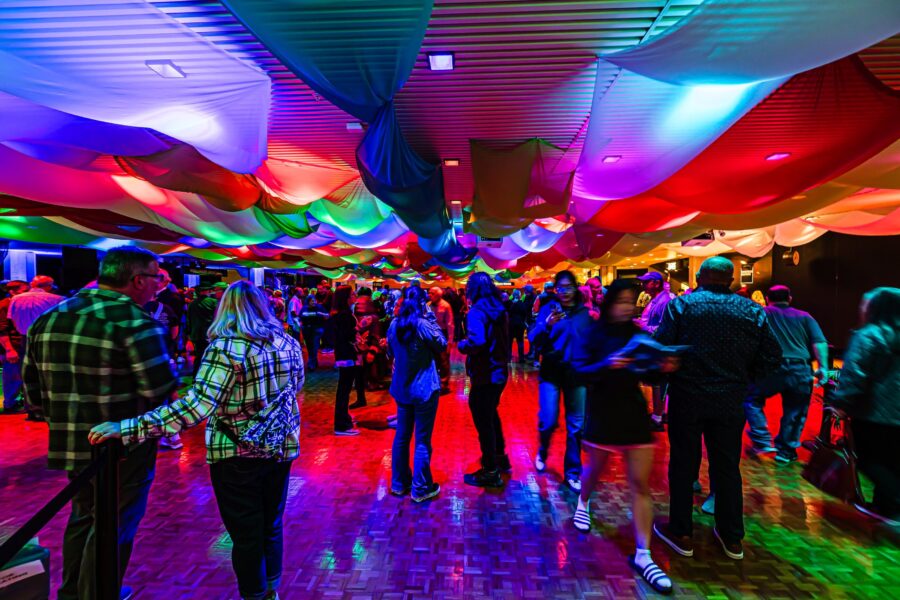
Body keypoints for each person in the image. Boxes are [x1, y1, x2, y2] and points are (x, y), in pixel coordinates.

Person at [89, 280, 304, 600]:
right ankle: (270, 588)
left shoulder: (226, 347)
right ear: (262, 306)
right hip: (279, 445)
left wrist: (130, 427)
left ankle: (256, 595)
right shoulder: (287, 342)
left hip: (236, 452)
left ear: (224, 309)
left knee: (246, 533)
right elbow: (295, 389)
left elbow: (196, 407)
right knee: (270, 524)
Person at [22, 246, 177, 600]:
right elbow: (159, 389)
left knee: (83, 516)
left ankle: (74, 592)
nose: (159, 287)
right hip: (123, 445)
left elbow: (32, 394)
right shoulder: (135, 321)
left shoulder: (50, 317)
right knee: (115, 522)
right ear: (138, 280)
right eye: (157, 279)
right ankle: (99, 593)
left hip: (69, 438)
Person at [653, 256, 781, 562]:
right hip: (730, 400)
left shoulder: (682, 306)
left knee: (684, 464)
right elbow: (772, 357)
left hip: (687, 398)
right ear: (732, 280)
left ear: (698, 276)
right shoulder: (753, 310)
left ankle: (682, 532)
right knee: (726, 467)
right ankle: (731, 536)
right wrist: (744, 381)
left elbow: (661, 350)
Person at [571, 279, 677, 595]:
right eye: (622, 301)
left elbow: (649, 374)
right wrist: (609, 363)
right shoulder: (594, 332)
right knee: (594, 471)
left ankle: (643, 553)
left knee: (639, 484)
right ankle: (583, 500)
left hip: (632, 414)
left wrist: (663, 367)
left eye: (632, 301)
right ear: (610, 302)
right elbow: (580, 372)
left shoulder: (638, 334)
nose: (628, 307)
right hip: (603, 413)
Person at [830, 287, 900, 525]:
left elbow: (854, 374)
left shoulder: (869, 335)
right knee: (893, 460)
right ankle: (883, 507)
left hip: (873, 412)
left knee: (868, 459)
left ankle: (893, 506)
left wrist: (840, 404)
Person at [744, 285, 829, 463]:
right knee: (796, 410)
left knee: (751, 399)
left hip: (769, 368)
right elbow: (819, 342)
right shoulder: (805, 316)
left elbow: (748, 341)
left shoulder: (760, 313)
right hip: (800, 369)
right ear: (789, 298)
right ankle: (786, 451)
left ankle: (762, 439)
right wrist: (823, 367)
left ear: (767, 298)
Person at [528, 270, 589, 492]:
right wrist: (547, 324)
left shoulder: (584, 314)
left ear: (575, 288)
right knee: (548, 420)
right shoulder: (548, 309)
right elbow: (533, 338)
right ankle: (543, 450)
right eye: (560, 288)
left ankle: (572, 472)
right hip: (551, 373)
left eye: (568, 287)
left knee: (575, 427)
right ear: (556, 289)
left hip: (576, 375)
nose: (564, 292)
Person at [387, 286, 446, 502]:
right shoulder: (422, 324)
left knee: (402, 436)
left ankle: (399, 483)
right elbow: (441, 344)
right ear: (422, 303)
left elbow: (390, 352)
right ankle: (420, 488)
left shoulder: (394, 325)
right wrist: (430, 317)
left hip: (402, 390)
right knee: (422, 440)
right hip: (424, 390)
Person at [458, 272, 510, 487]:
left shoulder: (477, 312)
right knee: (490, 413)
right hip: (499, 372)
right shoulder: (500, 309)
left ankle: (490, 470)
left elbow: (477, 341)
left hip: (485, 373)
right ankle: (499, 456)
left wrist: (463, 345)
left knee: (483, 419)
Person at [144, 269, 184, 450]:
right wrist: (171, 344)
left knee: (156, 399)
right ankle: (175, 431)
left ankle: (168, 433)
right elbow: (175, 329)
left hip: (149, 356)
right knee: (170, 391)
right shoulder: (167, 306)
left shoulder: (139, 310)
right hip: (166, 353)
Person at [636, 271, 672, 432]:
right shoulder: (656, 300)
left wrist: (642, 326)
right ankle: (659, 413)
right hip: (655, 346)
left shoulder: (664, 301)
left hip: (659, 347)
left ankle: (658, 417)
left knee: (658, 384)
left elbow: (665, 327)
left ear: (656, 283)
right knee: (656, 383)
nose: (643, 285)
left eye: (646, 282)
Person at [333, 285, 365, 433]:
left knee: (344, 388)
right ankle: (341, 424)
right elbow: (346, 336)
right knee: (344, 389)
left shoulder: (343, 313)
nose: (355, 296)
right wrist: (356, 338)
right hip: (346, 354)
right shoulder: (345, 315)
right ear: (346, 298)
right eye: (352, 294)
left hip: (344, 354)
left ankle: (344, 417)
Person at [0, 280, 29, 414]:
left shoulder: (16, 303)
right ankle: (10, 405)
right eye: (24, 290)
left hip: (19, 345)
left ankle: (15, 402)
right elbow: (2, 329)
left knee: (17, 376)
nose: (28, 293)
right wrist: (9, 349)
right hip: (13, 347)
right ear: (12, 291)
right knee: (12, 377)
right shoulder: (5, 305)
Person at [188, 282, 226, 376]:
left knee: (199, 356)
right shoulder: (213, 302)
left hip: (196, 334)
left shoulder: (191, 304)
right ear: (208, 291)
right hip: (209, 334)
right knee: (210, 356)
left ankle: (195, 376)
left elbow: (189, 320)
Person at [428, 286, 454, 394]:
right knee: (431, 360)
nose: (430, 295)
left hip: (442, 334)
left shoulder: (446, 306)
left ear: (439, 295)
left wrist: (450, 341)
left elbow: (450, 324)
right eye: (429, 293)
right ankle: (433, 383)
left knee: (443, 360)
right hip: (430, 334)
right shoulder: (428, 305)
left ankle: (444, 384)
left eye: (432, 293)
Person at [300, 295, 328, 371]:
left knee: (315, 346)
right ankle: (314, 362)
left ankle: (311, 364)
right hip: (307, 330)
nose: (314, 302)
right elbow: (300, 317)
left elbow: (327, 315)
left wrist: (321, 314)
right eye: (312, 301)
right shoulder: (304, 308)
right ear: (308, 301)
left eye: (314, 300)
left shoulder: (320, 307)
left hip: (317, 330)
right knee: (309, 347)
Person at [507, 289, 530, 363]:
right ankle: (521, 358)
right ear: (520, 296)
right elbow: (524, 314)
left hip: (511, 324)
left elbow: (508, 313)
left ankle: (509, 358)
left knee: (509, 342)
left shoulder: (510, 303)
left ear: (513, 295)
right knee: (520, 341)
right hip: (520, 325)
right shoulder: (522, 304)